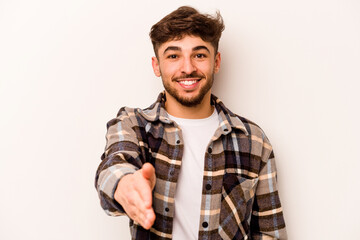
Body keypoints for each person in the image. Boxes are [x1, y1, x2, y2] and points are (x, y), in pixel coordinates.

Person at [95, 6, 287, 240]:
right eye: (173, 56)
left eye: (199, 55)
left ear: (216, 62)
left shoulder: (254, 141)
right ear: (157, 66)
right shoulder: (133, 124)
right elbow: (113, 166)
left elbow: (270, 232)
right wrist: (124, 185)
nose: (187, 68)